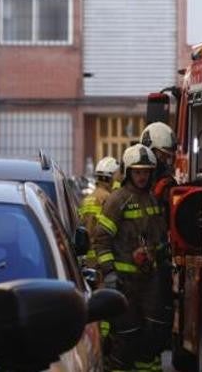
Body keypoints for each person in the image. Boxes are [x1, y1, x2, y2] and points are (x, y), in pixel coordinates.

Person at [93, 144, 169, 372]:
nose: (142, 176)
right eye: (137, 171)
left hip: (150, 282)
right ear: (128, 172)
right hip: (125, 283)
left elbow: (161, 237)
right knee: (125, 339)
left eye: (146, 171)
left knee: (152, 336)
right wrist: (110, 273)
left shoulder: (154, 199)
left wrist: (159, 257)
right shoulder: (118, 200)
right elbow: (101, 239)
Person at [80, 156, 120, 269]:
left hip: (87, 261)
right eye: (117, 177)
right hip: (102, 261)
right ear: (110, 178)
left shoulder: (86, 199)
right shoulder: (109, 199)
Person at [139, 122, 178, 202]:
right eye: (163, 154)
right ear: (150, 150)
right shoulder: (136, 176)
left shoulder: (166, 180)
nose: (165, 160)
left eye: (168, 156)